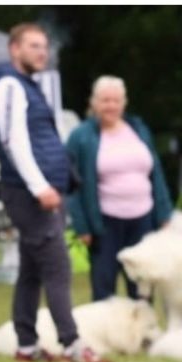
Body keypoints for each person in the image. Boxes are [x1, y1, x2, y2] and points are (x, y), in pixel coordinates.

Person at [0, 22, 105, 362]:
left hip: (42, 191)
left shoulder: (28, 84)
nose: (42, 52)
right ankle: (72, 344)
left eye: (44, 46)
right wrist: (39, 186)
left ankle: (26, 345)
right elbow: (13, 141)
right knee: (57, 267)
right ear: (15, 49)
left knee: (32, 270)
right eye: (33, 46)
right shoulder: (9, 85)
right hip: (29, 193)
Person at [66, 75, 174, 302]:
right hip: (105, 222)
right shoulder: (81, 136)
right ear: (94, 103)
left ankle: (143, 325)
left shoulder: (138, 129)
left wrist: (164, 213)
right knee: (104, 286)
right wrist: (82, 226)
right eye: (105, 100)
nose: (111, 106)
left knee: (142, 287)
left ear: (124, 103)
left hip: (143, 219)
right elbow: (71, 185)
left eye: (116, 100)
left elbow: (156, 173)